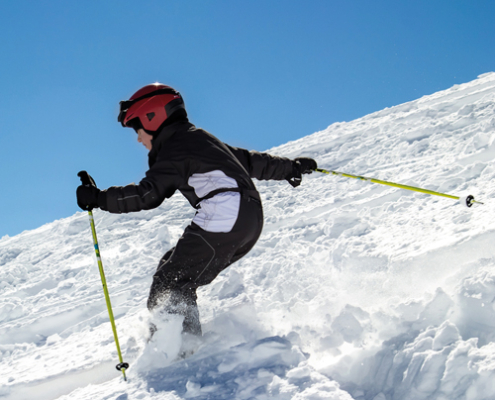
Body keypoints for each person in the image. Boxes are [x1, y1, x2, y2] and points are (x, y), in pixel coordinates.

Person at [76, 83, 317, 337]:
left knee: (171, 281)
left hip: (224, 214)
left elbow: (148, 194)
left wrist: (99, 198)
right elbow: (250, 161)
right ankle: (178, 339)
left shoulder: (175, 148)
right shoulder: (199, 138)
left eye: (138, 129)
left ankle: (180, 349)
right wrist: (291, 168)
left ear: (153, 117)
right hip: (248, 219)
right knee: (171, 267)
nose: (138, 138)